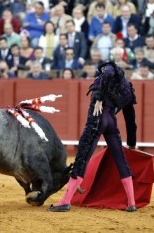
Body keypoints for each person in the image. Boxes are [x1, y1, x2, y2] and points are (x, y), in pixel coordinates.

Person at [48, 61, 138, 212]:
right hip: (111, 123)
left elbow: (108, 74)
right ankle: (131, 203)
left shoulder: (111, 69)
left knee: (82, 159)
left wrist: (100, 99)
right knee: (121, 160)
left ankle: (65, 201)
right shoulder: (128, 89)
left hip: (97, 119)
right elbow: (130, 119)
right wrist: (132, 143)